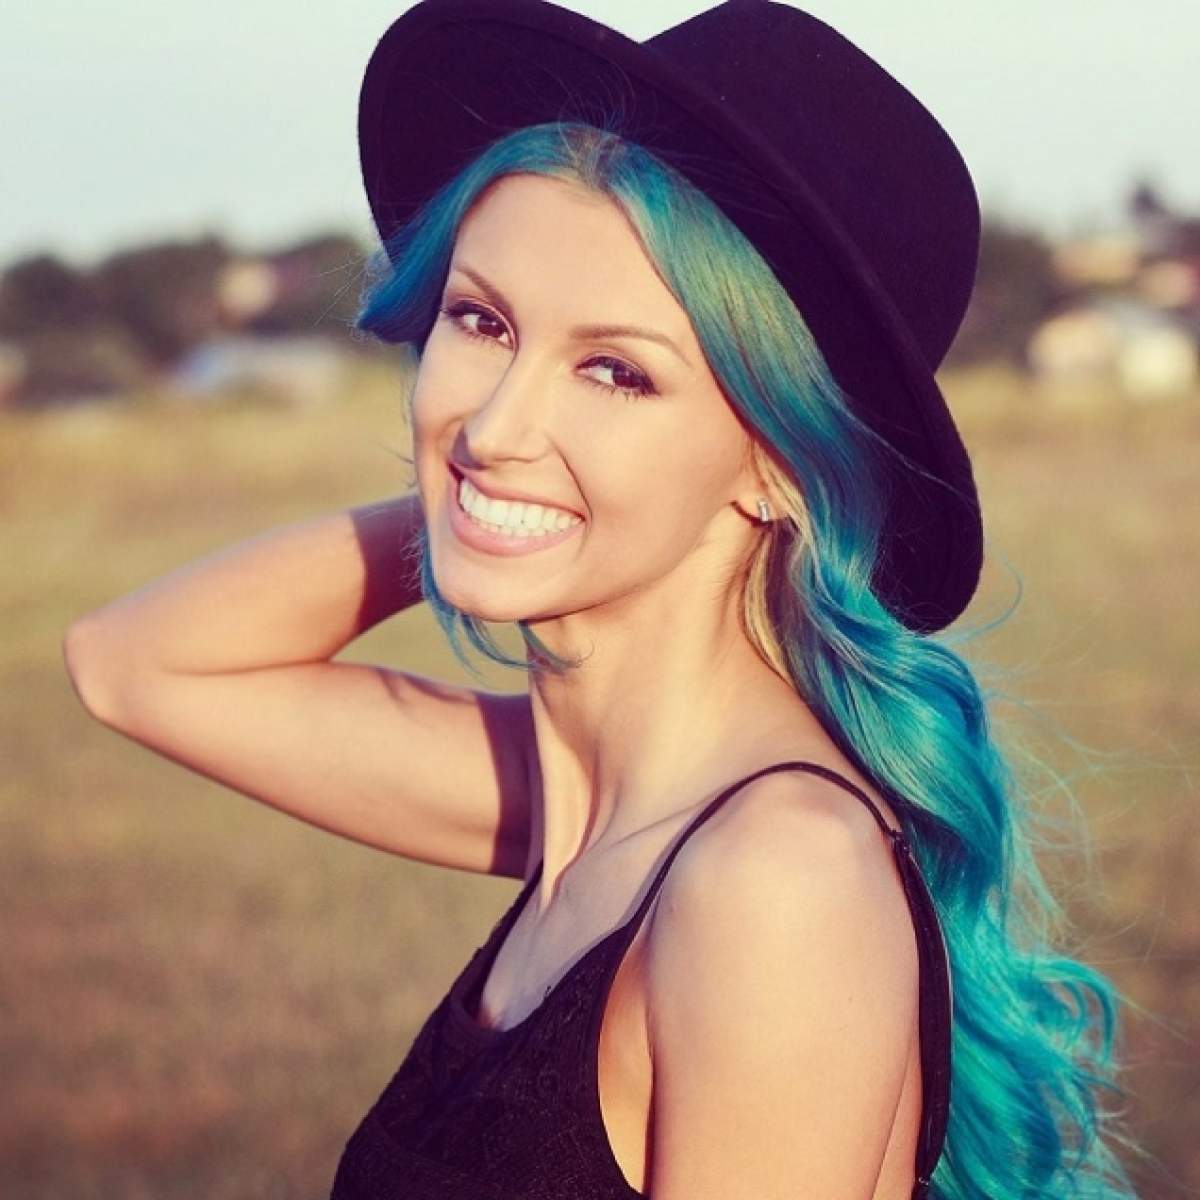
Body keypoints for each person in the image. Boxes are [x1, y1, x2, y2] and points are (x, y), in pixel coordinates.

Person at [63, 2, 1146, 1198]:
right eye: (482, 322)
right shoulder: (588, 804)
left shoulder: (771, 882)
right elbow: (130, 665)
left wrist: (518, 498)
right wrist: (489, 496)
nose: (493, 421)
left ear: (779, 464)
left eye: (616, 372)